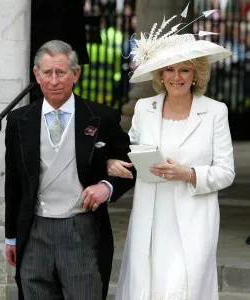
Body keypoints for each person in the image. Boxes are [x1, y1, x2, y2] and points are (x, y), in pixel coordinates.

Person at [106, 8, 235, 300]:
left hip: (194, 220)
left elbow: (226, 172)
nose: (176, 77)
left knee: (180, 290)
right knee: (147, 289)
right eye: (170, 69)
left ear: (196, 74)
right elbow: (132, 157)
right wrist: (115, 164)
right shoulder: (144, 108)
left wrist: (188, 174)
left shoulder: (215, 112)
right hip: (150, 219)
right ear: (160, 74)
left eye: (185, 69)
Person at [4, 40, 135, 300]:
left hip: (81, 228)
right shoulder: (19, 121)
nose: (54, 80)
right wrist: (11, 237)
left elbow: (132, 164)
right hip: (34, 230)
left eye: (61, 72)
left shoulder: (102, 117)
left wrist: (106, 187)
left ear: (75, 74)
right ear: (36, 75)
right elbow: (14, 182)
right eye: (47, 73)